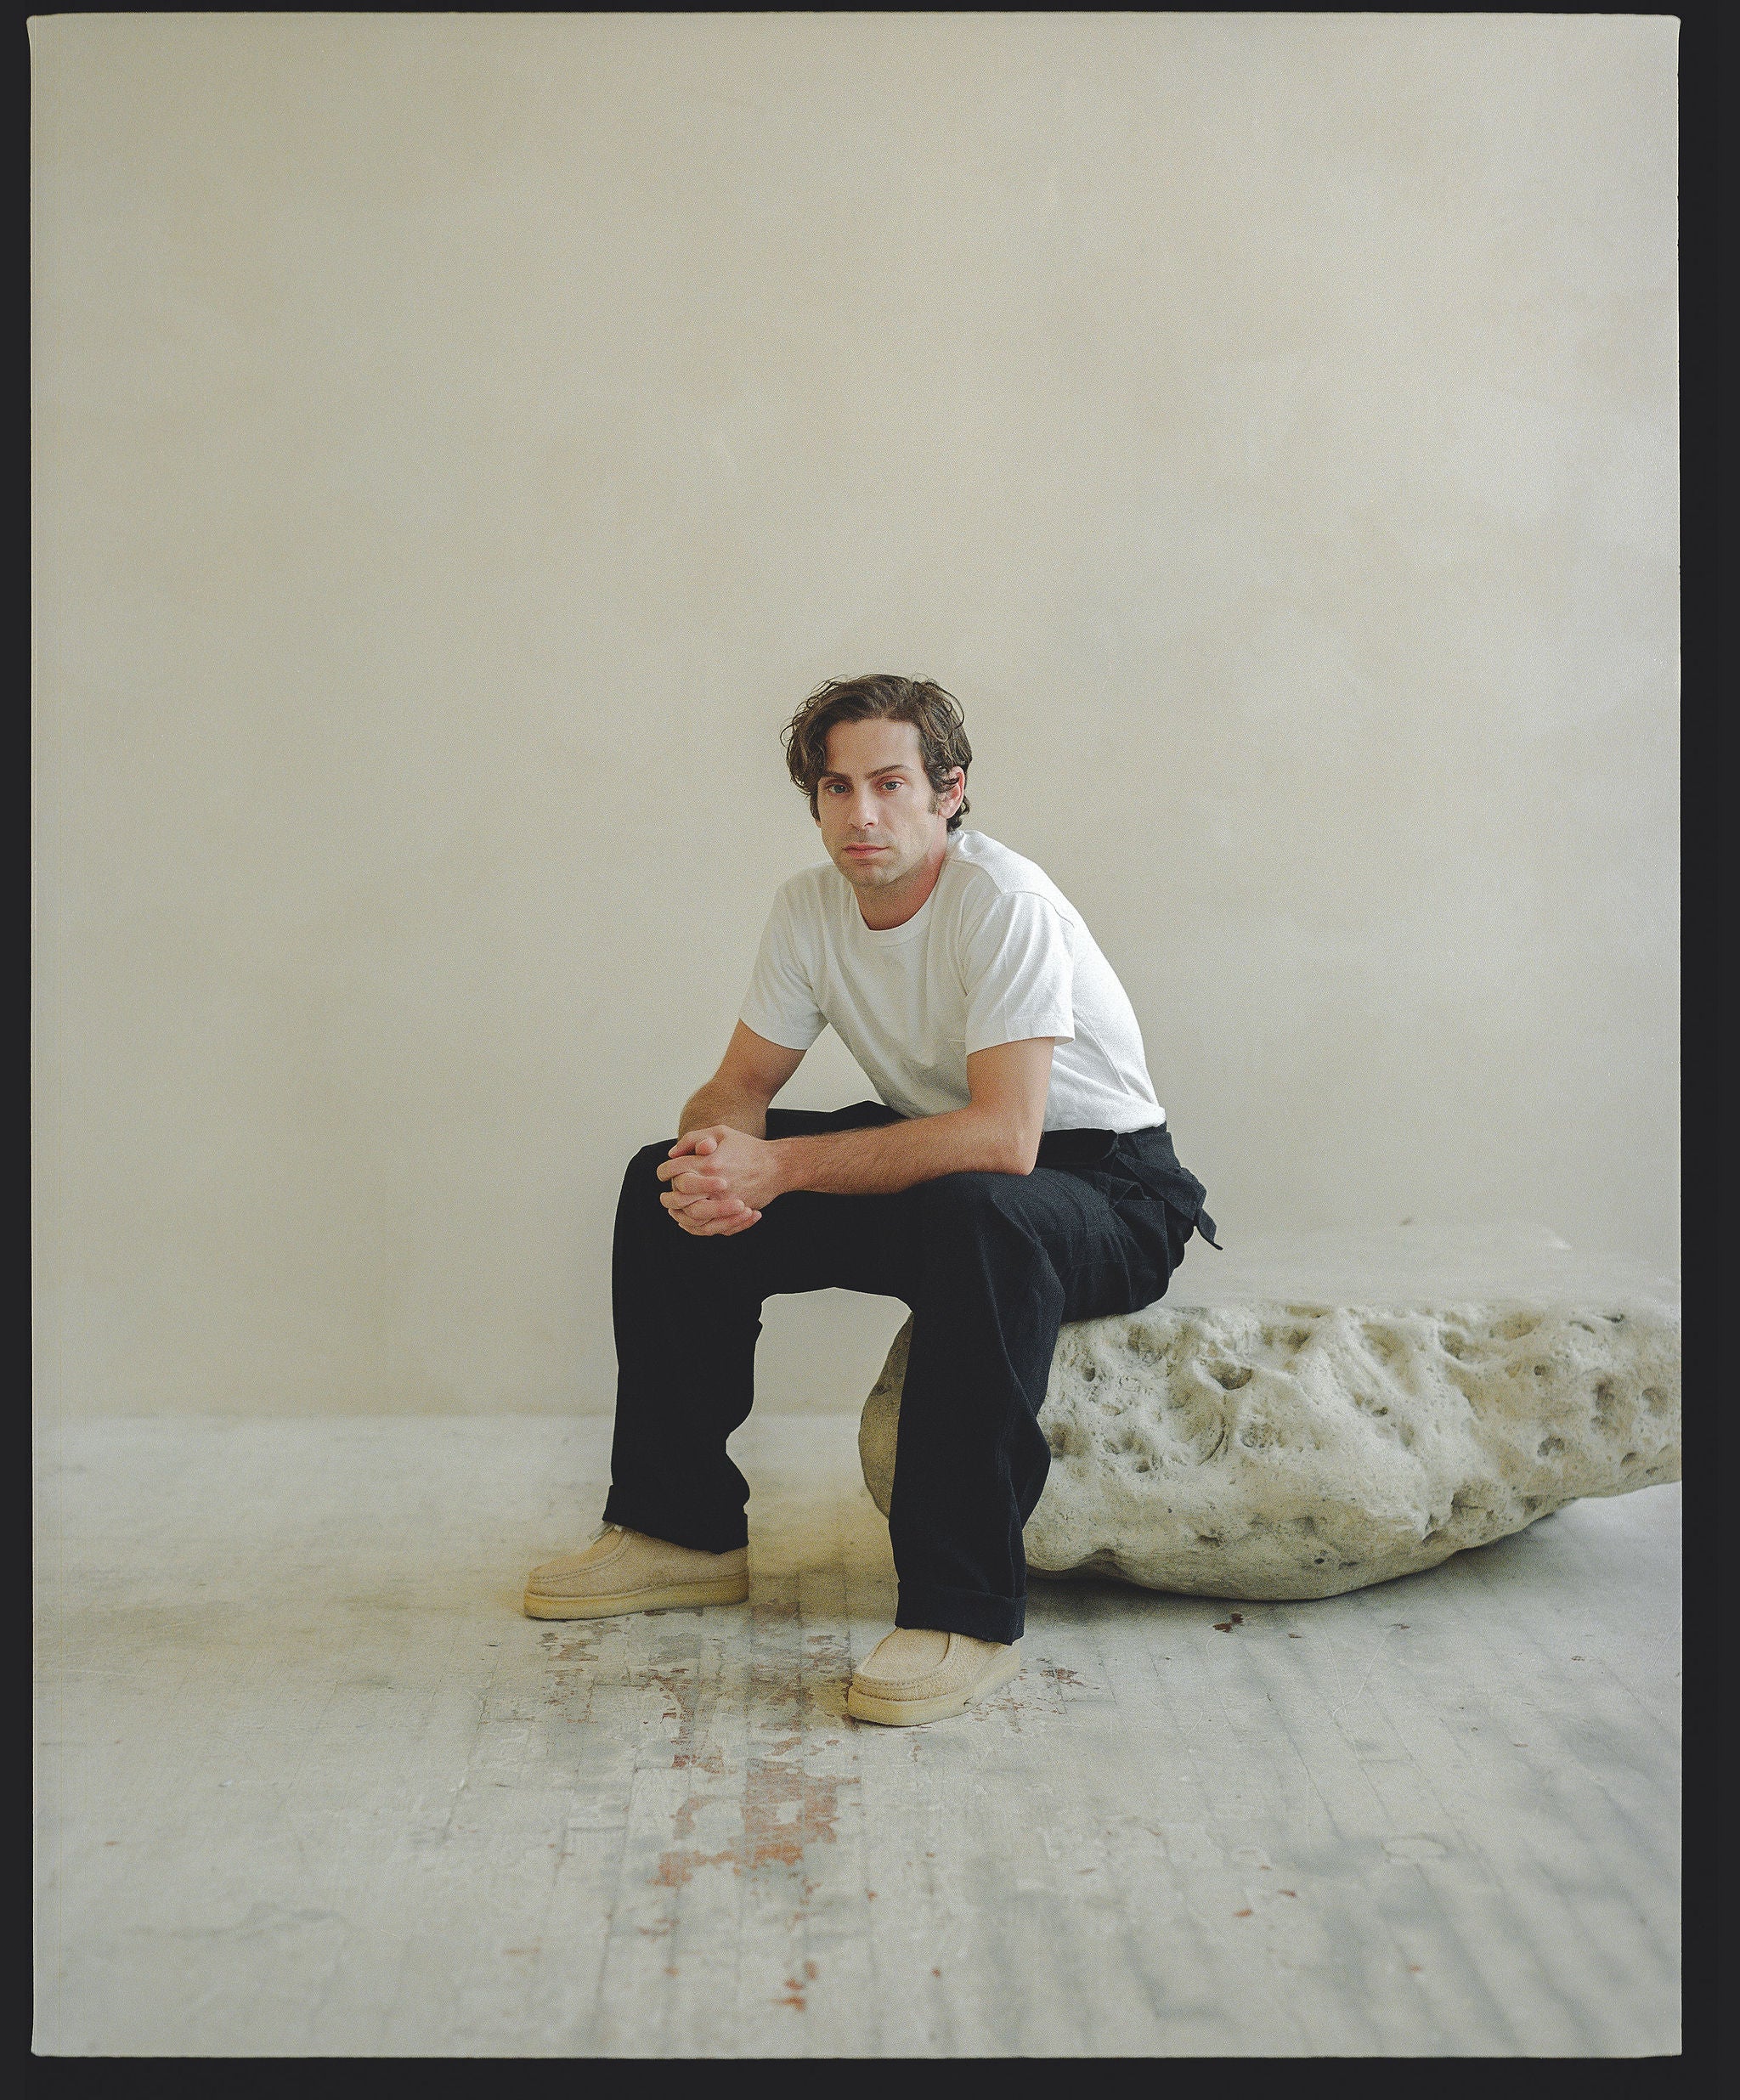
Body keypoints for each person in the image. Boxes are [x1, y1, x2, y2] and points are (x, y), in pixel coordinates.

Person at [523, 675, 1217, 1725]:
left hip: (1100, 1189)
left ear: (949, 791)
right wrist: (719, 1154)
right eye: (836, 788)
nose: (862, 814)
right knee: (657, 1175)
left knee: (976, 1211)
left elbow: (1004, 1137)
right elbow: (739, 1086)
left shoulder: (1004, 903)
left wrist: (785, 1171)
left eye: (890, 784)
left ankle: (962, 1612)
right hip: (950, 1173)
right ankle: (680, 1532)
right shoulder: (809, 908)